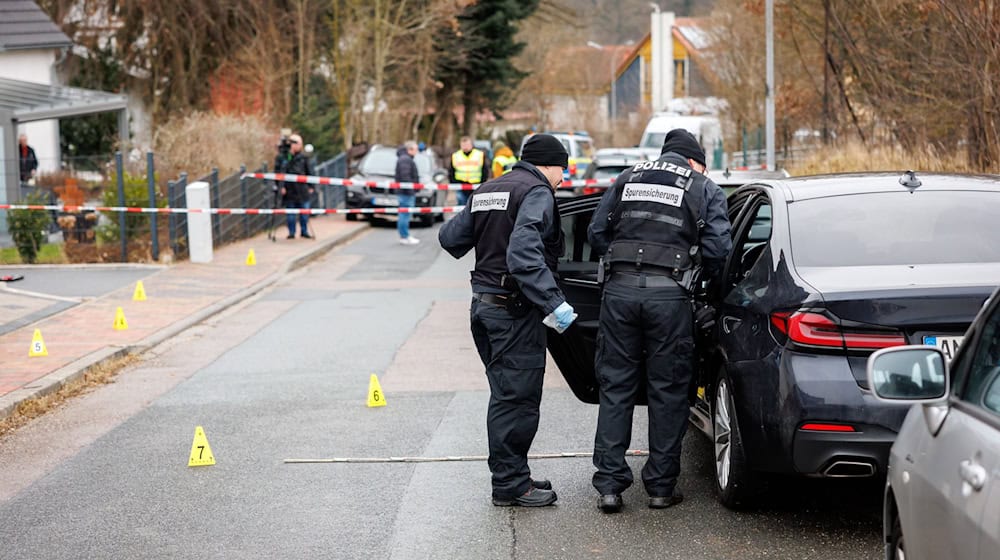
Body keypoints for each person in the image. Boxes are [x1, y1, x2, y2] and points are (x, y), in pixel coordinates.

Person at [587, 128, 732, 513]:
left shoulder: (628, 178)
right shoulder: (701, 186)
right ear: (694, 161)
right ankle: (661, 488)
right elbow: (720, 250)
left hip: (618, 294)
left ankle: (610, 487)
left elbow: (596, 232)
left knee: (615, 386)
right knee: (667, 390)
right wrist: (710, 289)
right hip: (669, 297)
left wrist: (620, 266)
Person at [439, 133, 577, 508]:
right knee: (516, 399)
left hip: (483, 308)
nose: (563, 178)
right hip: (513, 311)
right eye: (562, 169)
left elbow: (450, 238)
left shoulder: (489, 188)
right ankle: (511, 486)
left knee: (505, 394)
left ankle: (514, 473)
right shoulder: (536, 192)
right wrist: (553, 303)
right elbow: (522, 253)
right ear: (548, 164)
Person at [275, 133, 315, 239]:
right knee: (291, 213)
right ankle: (291, 232)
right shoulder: (283, 158)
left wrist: (311, 186)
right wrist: (281, 186)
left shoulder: (303, 158)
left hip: (302, 189)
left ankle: (304, 231)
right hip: (289, 190)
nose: (299, 146)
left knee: (304, 212)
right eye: (297, 143)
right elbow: (278, 173)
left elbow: (309, 171)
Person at [449, 136, 489, 207]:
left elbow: (485, 170)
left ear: (471, 145)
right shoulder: (456, 155)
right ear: (460, 145)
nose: (465, 147)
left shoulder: (479, 155)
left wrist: (482, 183)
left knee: (476, 207)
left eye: (467, 145)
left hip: (476, 185)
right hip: (461, 186)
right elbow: (451, 171)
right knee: (462, 207)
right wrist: (454, 183)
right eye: (463, 145)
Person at [395, 140, 421, 245]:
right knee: (405, 215)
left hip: (405, 192)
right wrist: (411, 190)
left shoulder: (404, 159)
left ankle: (404, 235)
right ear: (410, 149)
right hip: (406, 193)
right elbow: (405, 177)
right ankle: (404, 236)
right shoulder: (405, 160)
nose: (417, 152)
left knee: (404, 214)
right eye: (416, 150)